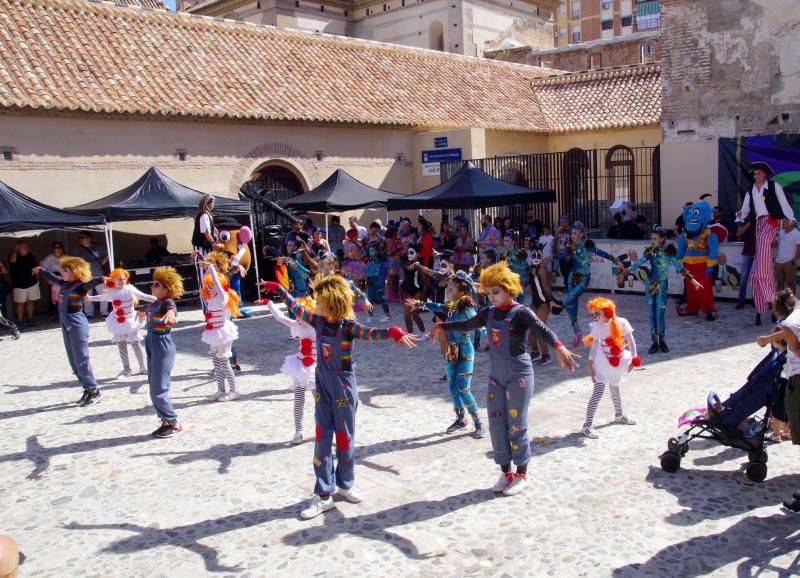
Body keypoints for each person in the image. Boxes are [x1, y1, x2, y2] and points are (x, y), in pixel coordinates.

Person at [260, 275, 417, 520]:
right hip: (323, 384)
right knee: (322, 436)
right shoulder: (317, 321)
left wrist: (393, 332)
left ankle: (345, 483)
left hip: (343, 387)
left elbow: (371, 333)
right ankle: (324, 494)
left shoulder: (348, 327)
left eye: (320, 301)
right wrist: (279, 289)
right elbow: (295, 307)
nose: (315, 304)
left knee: (345, 436)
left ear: (333, 303)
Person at [430, 262, 579, 496]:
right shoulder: (488, 313)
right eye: (489, 293)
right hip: (496, 375)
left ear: (510, 289)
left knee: (516, 423)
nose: (492, 297)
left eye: (496, 292)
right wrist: (442, 325)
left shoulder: (521, 312)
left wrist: (559, 347)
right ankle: (505, 473)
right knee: (496, 424)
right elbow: (467, 324)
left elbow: (542, 329)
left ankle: (522, 474)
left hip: (519, 374)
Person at [407, 271, 486, 438]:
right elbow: (438, 307)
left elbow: (479, 325)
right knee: (452, 386)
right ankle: (460, 419)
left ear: (461, 293)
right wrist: (421, 304)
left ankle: (478, 422)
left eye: (450, 290)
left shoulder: (467, 310)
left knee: (463, 388)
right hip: (452, 349)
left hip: (465, 351)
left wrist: (491, 335)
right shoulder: (450, 307)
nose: (446, 292)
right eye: (447, 289)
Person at [34, 257, 103, 406]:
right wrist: (42, 270)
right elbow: (53, 277)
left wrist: (103, 279)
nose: (63, 272)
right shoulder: (64, 284)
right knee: (73, 361)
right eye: (63, 269)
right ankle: (86, 388)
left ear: (76, 271)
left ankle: (94, 390)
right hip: (65, 324)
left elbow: (91, 282)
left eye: (66, 270)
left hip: (77, 324)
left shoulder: (80, 286)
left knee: (81, 358)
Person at [754, 289, 800, 513]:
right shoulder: (795, 317)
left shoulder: (790, 325)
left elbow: (791, 339)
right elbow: (783, 333)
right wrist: (768, 339)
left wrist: (781, 345)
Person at [737, 161, 796, 324]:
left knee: (762, 263)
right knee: (755, 274)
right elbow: (746, 209)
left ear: (765, 174)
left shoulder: (773, 186)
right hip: (758, 224)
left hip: (771, 223)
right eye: (755, 174)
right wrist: (740, 215)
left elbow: (783, 203)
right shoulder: (751, 190)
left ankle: (771, 300)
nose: (756, 176)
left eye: (759, 173)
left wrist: (791, 217)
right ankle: (761, 309)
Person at [628, 226, 702, 354]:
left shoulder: (668, 252)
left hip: (662, 284)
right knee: (652, 313)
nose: (652, 240)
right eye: (651, 238)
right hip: (652, 283)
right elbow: (638, 262)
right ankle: (654, 342)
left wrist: (692, 280)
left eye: (655, 238)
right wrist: (626, 271)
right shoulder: (650, 251)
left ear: (662, 239)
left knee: (660, 314)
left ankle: (661, 340)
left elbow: (679, 267)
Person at [580, 297, 641, 439]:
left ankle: (619, 415)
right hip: (603, 362)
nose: (594, 317)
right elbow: (594, 346)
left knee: (615, 386)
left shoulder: (622, 322)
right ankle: (587, 425)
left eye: (597, 314)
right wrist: (590, 364)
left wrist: (634, 358)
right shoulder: (596, 327)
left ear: (607, 312)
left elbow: (630, 340)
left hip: (618, 360)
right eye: (593, 314)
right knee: (598, 392)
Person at [555, 221, 624, 345]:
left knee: (567, 301)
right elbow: (562, 255)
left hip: (584, 278)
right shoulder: (572, 247)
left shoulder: (588, 245)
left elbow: (602, 253)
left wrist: (616, 260)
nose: (572, 235)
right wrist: (550, 258)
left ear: (582, 234)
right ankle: (578, 333)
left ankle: (559, 306)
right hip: (572, 278)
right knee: (572, 307)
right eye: (572, 233)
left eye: (575, 233)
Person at [265, 296, 318, 444]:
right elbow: (280, 318)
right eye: (297, 316)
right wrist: (269, 303)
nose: (299, 320)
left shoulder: (317, 328)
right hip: (300, 367)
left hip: (315, 368)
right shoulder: (297, 325)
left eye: (302, 316)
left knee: (319, 401)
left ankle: (320, 428)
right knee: (298, 399)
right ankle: (298, 431)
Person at [140, 267, 183, 438]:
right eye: (152, 283)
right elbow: (148, 306)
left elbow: (172, 308)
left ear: (167, 288)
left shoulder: (167, 303)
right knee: (153, 385)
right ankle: (165, 421)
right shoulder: (155, 303)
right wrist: (141, 310)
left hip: (162, 344)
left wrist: (171, 314)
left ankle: (173, 422)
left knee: (159, 387)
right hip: (151, 342)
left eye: (156, 284)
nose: (152, 287)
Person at [87, 268, 155, 376]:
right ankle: (127, 368)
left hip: (130, 320)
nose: (122, 281)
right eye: (119, 279)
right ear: (113, 280)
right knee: (121, 344)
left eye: (124, 278)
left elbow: (143, 296)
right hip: (117, 320)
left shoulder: (130, 289)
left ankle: (143, 366)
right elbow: (101, 298)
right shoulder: (111, 292)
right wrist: (89, 298)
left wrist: (158, 299)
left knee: (136, 343)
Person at [200, 262, 240, 401]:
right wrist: (206, 271)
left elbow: (217, 283)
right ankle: (220, 390)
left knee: (223, 361)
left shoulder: (223, 297)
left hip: (223, 332)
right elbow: (204, 282)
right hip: (213, 331)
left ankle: (234, 390)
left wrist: (211, 268)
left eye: (212, 287)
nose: (210, 289)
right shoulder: (210, 299)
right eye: (209, 287)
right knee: (216, 361)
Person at [527, 244, 563, 365]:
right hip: (534, 303)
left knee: (539, 331)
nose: (536, 257)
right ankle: (536, 352)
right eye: (534, 255)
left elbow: (546, 286)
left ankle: (546, 356)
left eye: (538, 255)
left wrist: (551, 300)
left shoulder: (542, 270)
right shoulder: (530, 270)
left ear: (541, 257)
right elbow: (532, 287)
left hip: (543, 304)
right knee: (530, 334)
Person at [74, 231, 109, 319]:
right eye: (79, 238)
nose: (80, 239)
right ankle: (88, 313)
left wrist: (103, 262)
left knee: (103, 293)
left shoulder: (99, 247)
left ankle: (104, 312)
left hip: (98, 274)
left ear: (89, 238)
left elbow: (109, 252)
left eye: (82, 237)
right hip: (86, 276)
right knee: (86, 294)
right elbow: (75, 262)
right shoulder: (78, 250)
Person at [8, 241, 40, 326]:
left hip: (32, 283)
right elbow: (12, 260)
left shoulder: (30, 256)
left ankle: (30, 319)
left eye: (27, 247)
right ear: (18, 248)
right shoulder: (13, 256)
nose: (27, 249)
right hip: (19, 285)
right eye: (24, 247)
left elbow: (36, 267)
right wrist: (15, 249)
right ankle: (20, 322)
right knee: (20, 304)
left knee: (30, 302)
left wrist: (37, 270)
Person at [365, 237, 391, 323]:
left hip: (378, 280)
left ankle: (388, 315)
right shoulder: (369, 260)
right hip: (370, 280)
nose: (370, 252)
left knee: (382, 298)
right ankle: (369, 316)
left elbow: (384, 273)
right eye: (370, 250)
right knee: (370, 298)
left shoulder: (381, 260)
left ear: (377, 251)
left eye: (372, 250)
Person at [773, 219, 800, 295]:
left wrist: (793, 261)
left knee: (791, 284)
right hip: (778, 262)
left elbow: (799, 250)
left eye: (784, 222)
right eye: (782, 221)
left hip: (790, 262)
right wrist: (775, 237)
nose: (783, 223)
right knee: (779, 284)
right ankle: (779, 303)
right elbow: (773, 245)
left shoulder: (797, 234)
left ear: (791, 223)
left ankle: (792, 304)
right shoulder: (780, 232)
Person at [40, 242, 64, 322]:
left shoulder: (66, 257)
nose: (58, 249)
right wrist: (46, 280)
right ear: (53, 249)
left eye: (59, 247)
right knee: (52, 300)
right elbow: (43, 268)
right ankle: (52, 315)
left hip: (64, 282)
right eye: (56, 247)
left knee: (64, 298)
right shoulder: (49, 258)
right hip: (53, 282)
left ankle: (64, 315)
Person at [736, 216, 756, 309]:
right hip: (747, 253)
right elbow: (738, 233)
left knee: (756, 278)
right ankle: (741, 300)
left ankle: (755, 300)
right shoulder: (746, 219)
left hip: (758, 254)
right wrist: (748, 224)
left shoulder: (762, 219)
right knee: (743, 278)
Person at [555, 215, 572, 284]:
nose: (561, 224)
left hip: (567, 253)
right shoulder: (560, 231)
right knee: (563, 270)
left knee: (568, 270)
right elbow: (556, 241)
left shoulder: (571, 231)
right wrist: (557, 233)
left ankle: (569, 286)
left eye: (563, 222)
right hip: (561, 253)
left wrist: (570, 254)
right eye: (560, 223)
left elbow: (573, 243)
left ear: (567, 222)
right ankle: (566, 286)